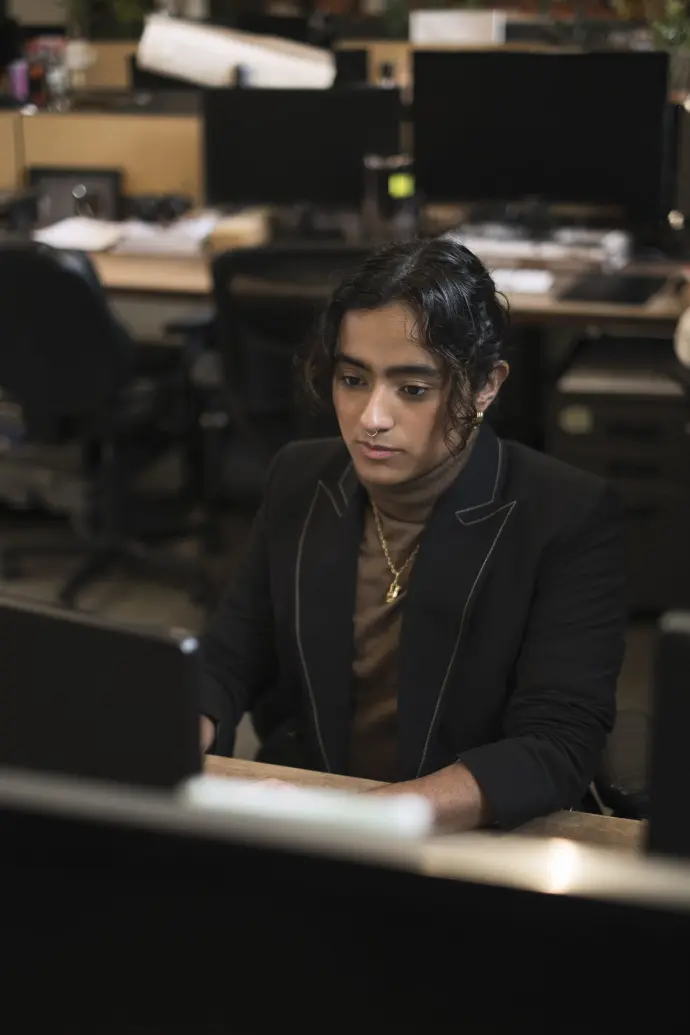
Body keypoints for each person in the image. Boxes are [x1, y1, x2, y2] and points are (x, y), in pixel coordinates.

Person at [200, 236, 625, 831]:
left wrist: (356, 819)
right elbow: (228, 658)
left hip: (470, 838)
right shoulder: (299, 477)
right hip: (310, 809)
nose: (372, 418)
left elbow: (555, 746)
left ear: (485, 386)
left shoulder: (566, 514)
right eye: (353, 379)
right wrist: (174, 737)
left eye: (413, 389)